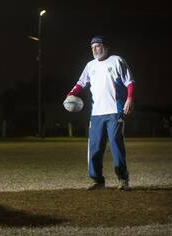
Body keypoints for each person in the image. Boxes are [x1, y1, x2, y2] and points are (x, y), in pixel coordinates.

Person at [66, 35, 134, 191]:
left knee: (116, 146)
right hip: (96, 114)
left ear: (105, 46)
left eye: (97, 46)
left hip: (115, 112)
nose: (95, 49)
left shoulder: (117, 60)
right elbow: (81, 83)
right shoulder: (90, 65)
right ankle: (98, 180)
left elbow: (129, 82)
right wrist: (71, 94)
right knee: (95, 148)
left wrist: (129, 99)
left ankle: (123, 179)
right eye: (92, 47)